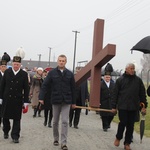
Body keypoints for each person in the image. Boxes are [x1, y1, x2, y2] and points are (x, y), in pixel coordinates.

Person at [39, 54, 76, 150]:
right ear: (57, 61)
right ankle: (56, 138)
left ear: (65, 62)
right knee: (55, 122)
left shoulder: (70, 74)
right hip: (55, 100)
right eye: (60, 60)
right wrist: (41, 97)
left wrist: (74, 102)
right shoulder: (52, 73)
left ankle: (63, 143)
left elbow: (73, 88)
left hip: (66, 101)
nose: (61, 62)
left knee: (64, 121)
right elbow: (45, 85)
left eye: (63, 61)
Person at [112, 63, 147, 150]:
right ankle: (118, 137)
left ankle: (127, 143)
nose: (132, 70)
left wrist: (144, 105)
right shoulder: (120, 80)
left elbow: (142, 94)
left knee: (130, 125)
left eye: (133, 68)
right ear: (126, 69)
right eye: (131, 68)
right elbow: (115, 94)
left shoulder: (138, 81)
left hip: (134, 107)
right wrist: (114, 106)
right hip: (123, 106)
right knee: (122, 122)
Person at [0, 56, 29, 143]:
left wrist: (26, 101)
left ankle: (15, 136)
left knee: (17, 119)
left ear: (20, 64)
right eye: (14, 64)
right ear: (12, 64)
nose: (16, 66)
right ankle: (6, 130)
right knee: (5, 117)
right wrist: (0, 97)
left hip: (17, 99)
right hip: (7, 98)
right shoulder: (7, 72)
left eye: (18, 64)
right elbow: (2, 86)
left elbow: (26, 89)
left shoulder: (24, 74)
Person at [0, 60, 8, 127]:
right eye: (2, 66)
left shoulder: (8, 74)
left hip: (5, 95)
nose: (4, 68)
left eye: (5, 66)